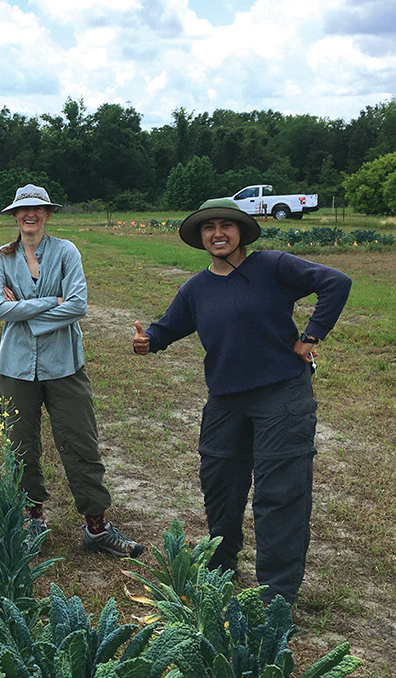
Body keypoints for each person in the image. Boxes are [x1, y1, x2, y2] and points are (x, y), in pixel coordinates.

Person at [131, 198, 351, 605]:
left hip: (282, 395)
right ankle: (220, 570)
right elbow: (167, 328)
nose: (218, 233)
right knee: (220, 487)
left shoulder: (272, 266)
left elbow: (336, 282)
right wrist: (148, 342)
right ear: (200, 237)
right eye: (208, 227)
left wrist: (312, 335)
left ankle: (275, 600)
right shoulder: (196, 288)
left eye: (226, 225)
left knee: (279, 496)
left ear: (241, 232)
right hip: (225, 401)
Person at [0, 183, 144, 558]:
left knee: (80, 442)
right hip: (15, 367)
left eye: (37, 209)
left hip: (64, 365)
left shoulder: (66, 251)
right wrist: (50, 301)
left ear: (48, 214)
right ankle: (32, 520)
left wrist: (28, 308)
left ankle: (97, 527)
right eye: (23, 210)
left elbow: (78, 306)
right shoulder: (1, 257)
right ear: (14, 215)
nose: (30, 215)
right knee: (19, 445)